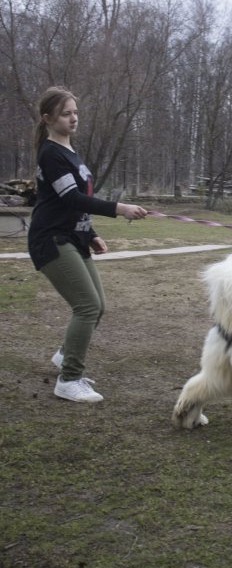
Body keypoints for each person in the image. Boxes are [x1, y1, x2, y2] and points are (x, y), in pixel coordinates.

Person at [28, 86, 147, 403]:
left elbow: (72, 203)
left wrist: (90, 233)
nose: (73, 118)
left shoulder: (69, 152)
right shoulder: (51, 153)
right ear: (48, 119)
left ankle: (65, 355)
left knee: (98, 307)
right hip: (50, 239)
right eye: (65, 114)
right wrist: (119, 208)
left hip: (73, 237)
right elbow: (71, 197)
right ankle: (69, 380)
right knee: (87, 307)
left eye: (75, 112)